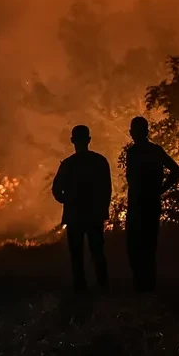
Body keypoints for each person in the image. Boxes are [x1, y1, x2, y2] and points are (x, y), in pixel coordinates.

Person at [123, 116, 179, 292]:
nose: (135, 134)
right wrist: (161, 189)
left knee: (140, 247)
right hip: (146, 204)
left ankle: (143, 286)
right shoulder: (151, 151)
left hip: (141, 205)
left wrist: (161, 190)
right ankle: (145, 286)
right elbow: (175, 170)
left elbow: (175, 170)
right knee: (145, 247)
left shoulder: (136, 152)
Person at [51, 124, 111, 293]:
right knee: (97, 252)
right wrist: (102, 210)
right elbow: (107, 189)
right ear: (89, 140)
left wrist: (68, 200)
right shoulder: (100, 162)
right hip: (94, 215)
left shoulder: (69, 164)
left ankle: (80, 290)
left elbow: (56, 190)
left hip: (74, 216)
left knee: (76, 256)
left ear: (72, 140)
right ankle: (103, 287)